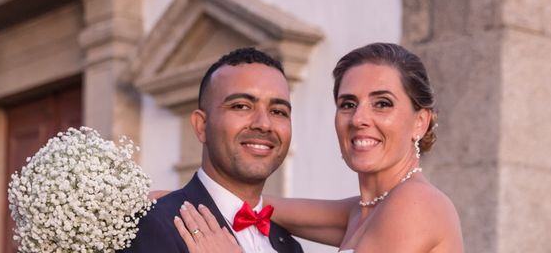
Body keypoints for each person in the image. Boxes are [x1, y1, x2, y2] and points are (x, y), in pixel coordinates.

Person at [173, 43, 463, 253]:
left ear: (420, 123)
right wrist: (181, 199)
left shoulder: (416, 205)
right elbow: (263, 208)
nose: (360, 119)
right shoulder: (363, 210)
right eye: (348, 104)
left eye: (382, 103)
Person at [122, 47, 304, 253]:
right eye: (241, 106)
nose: (264, 124)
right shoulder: (153, 224)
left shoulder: (289, 245)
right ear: (201, 126)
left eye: (278, 111)